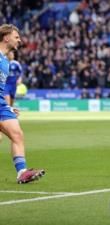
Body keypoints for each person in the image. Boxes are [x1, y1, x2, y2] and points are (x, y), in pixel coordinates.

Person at [0, 24, 44, 183]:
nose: (20, 40)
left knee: (17, 134)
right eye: (16, 37)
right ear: (6, 37)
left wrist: (8, 106)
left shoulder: (5, 61)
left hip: (1, 105)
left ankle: (22, 172)